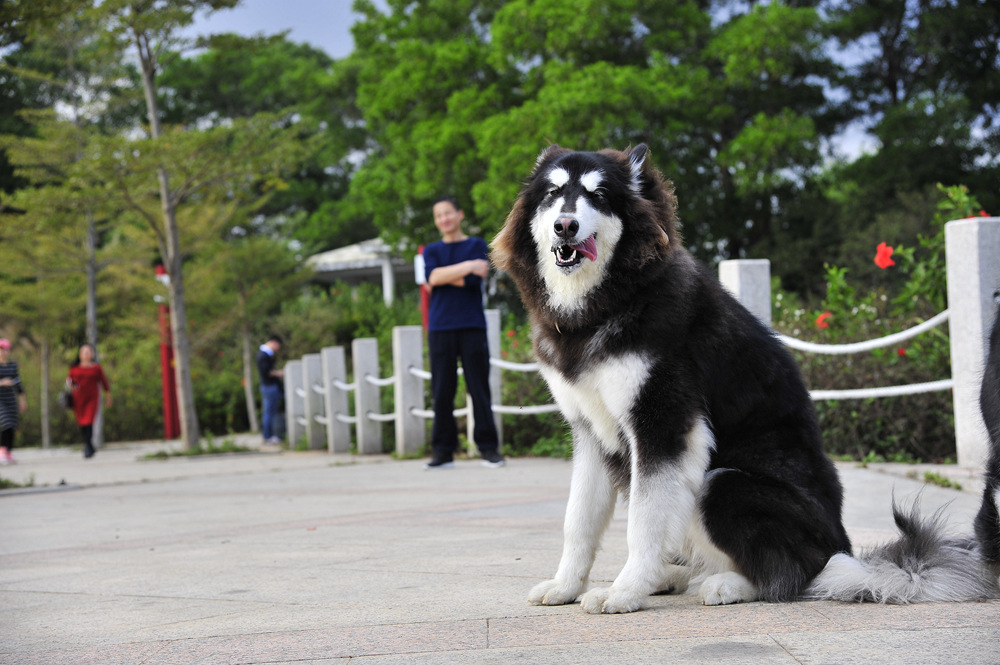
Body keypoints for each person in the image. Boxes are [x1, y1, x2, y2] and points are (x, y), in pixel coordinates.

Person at [422, 196, 505, 469]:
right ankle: (443, 452)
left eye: (448, 213)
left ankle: (489, 449)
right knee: (442, 390)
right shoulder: (432, 250)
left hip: (472, 325)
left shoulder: (477, 245)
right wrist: (467, 266)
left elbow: (472, 279)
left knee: (479, 388)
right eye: (438, 216)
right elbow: (432, 278)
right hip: (440, 327)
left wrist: (447, 276)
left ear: (460, 214)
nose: (443, 219)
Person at [67, 343, 111, 459]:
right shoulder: (74, 369)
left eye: (89, 352)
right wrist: (74, 386)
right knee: (82, 422)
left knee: (89, 421)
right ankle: (89, 445)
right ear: (80, 355)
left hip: (92, 398)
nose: (86, 354)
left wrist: (108, 395)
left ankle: (87, 446)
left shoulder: (96, 368)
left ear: (92, 354)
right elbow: (69, 382)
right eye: (84, 352)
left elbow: (104, 382)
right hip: (79, 399)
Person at [0, 338, 28, 465]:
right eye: (1, 350)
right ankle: (2, 450)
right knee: (5, 422)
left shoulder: (12, 365)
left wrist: (23, 400)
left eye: (6, 350)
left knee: (12, 425)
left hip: (11, 399)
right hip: (0, 400)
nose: (4, 352)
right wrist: (1, 383)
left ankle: (8, 451)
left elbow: (18, 383)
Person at [257, 334, 284, 445]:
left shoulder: (266, 354)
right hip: (269, 387)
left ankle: (269, 436)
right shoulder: (263, 355)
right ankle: (268, 437)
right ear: (274, 342)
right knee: (269, 413)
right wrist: (279, 373)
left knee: (269, 412)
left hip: (269, 386)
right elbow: (267, 372)